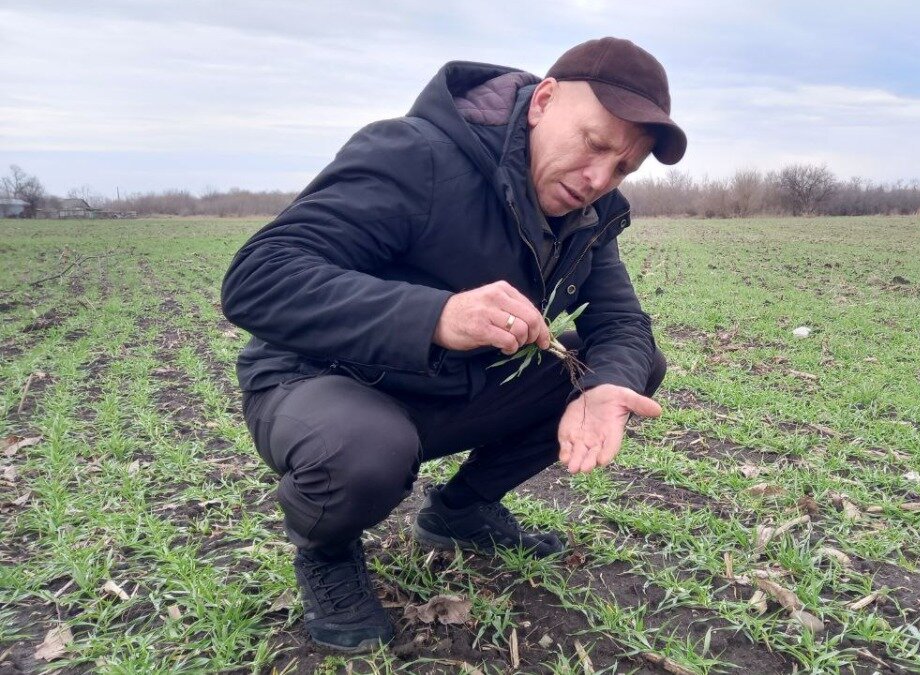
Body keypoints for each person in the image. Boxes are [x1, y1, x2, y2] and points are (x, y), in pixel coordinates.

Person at [220, 37, 686, 652]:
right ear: (543, 101)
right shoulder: (415, 155)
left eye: (623, 168)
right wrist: (436, 314)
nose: (599, 178)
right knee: (361, 450)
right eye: (594, 144)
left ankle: (460, 511)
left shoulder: (589, 215)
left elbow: (621, 320)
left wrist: (605, 386)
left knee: (630, 369)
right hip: (323, 383)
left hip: (450, 388)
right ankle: (326, 553)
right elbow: (259, 279)